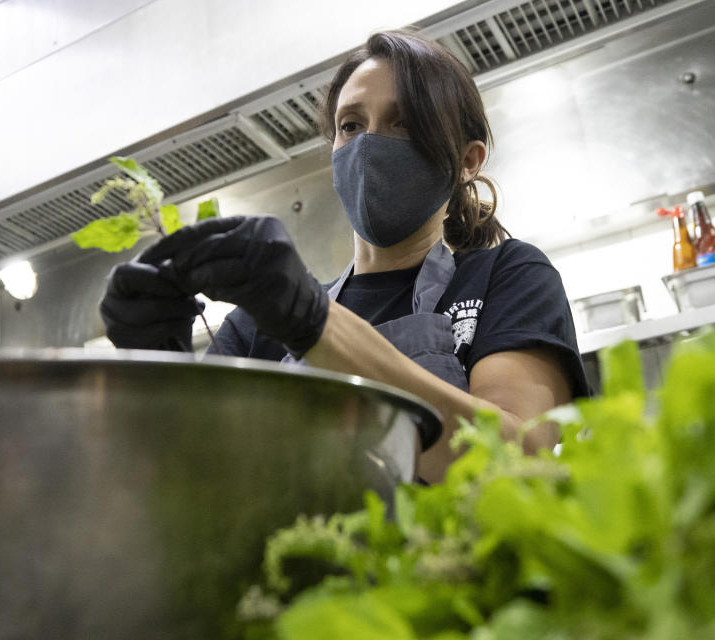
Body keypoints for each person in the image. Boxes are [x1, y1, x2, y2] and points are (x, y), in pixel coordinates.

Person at [100, 29, 592, 483]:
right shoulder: (257, 327)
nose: (371, 144)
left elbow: (518, 464)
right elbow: (193, 488)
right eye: (352, 125)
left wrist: (318, 326)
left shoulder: (507, 276)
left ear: (468, 161)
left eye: (404, 124)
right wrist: (156, 377)